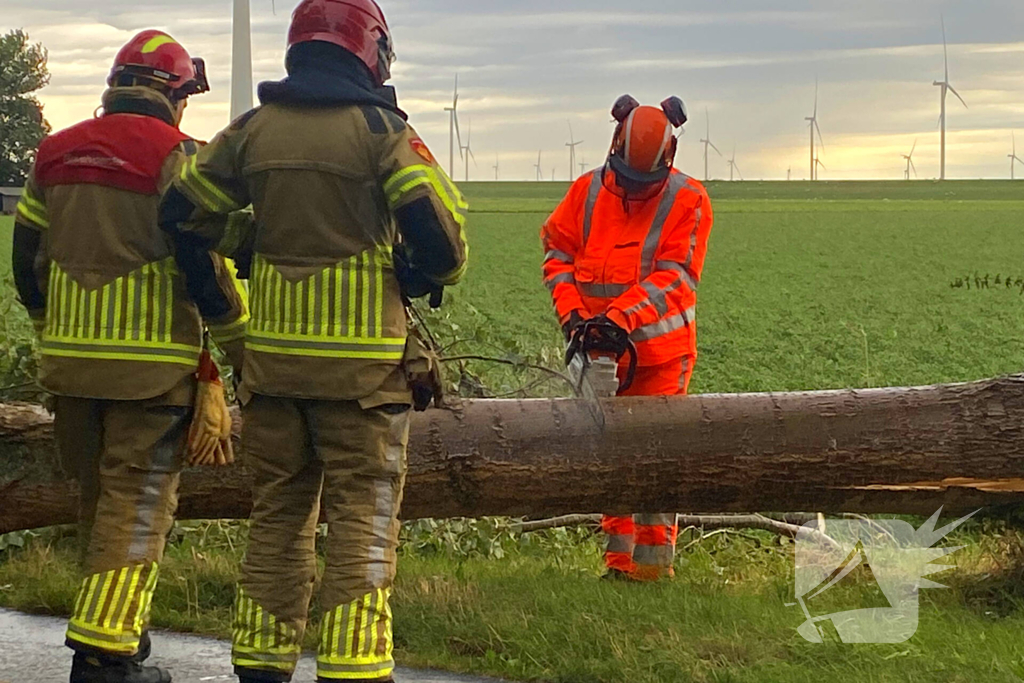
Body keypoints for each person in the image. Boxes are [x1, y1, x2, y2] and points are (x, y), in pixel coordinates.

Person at [157, 1, 469, 681]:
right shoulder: (382, 131)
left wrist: (250, 240)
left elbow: (180, 210)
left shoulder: (252, 130)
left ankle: (260, 665)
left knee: (277, 521)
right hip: (363, 384)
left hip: (272, 376)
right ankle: (353, 667)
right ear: (371, 51)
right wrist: (415, 270)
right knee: (363, 523)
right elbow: (443, 246)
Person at [11, 31, 248, 683]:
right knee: (137, 506)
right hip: (150, 370)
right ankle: (104, 660)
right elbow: (204, 268)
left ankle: (121, 632)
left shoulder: (53, 152)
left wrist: (50, 330)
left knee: (98, 502)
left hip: (69, 367)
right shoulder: (179, 156)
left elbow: (26, 260)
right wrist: (238, 352)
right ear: (173, 95)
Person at [541, 95, 714, 582]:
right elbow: (558, 255)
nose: (636, 189)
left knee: (654, 462)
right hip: (598, 354)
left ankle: (653, 571)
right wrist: (575, 319)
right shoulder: (586, 192)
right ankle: (619, 565)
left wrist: (617, 320)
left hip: (661, 356)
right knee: (609, 458)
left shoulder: (688, 200)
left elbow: (677, 276)